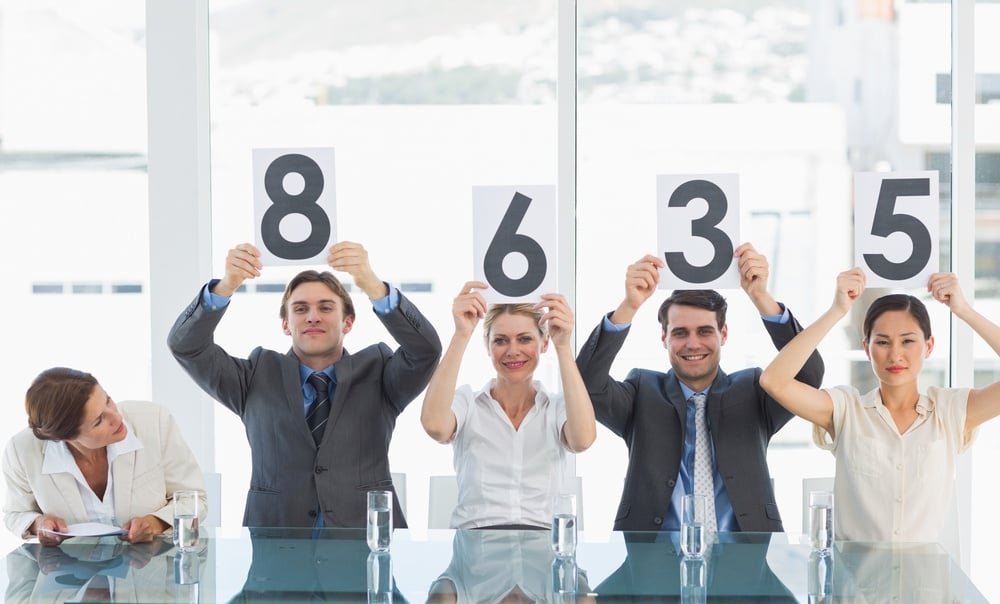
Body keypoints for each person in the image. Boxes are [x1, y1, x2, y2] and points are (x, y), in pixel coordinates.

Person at [167, 241, 442, 528]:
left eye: (325, 307)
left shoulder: (379, 370)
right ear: (286, 325)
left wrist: (373, 286)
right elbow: (185, 346)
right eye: (300, 309)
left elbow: (425, 350)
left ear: (348, 323)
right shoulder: (255, 374)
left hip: (364, 546)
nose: (312, 316)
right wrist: (225, 287)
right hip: (277, 544)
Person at [575, 243, 824, 532]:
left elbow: (808, 375)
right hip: (653, 558)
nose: (693, 344)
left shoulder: (753, 390)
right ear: (664, 338)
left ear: (724, 334)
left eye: (705, 331)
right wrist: (628, 306)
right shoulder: (643, 391)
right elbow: (586, 386)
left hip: (744, 557)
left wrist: (761, 297)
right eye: (680, 333)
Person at [759, 268, 1000, 548]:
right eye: (882, 342)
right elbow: (773, 381)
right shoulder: (847, 410)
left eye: (908, 341)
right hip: (854, 587)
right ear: (867, 348)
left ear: (929, 346)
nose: (895, 354)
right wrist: (837, 311)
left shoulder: (950, 411)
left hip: (924, 586)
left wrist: (964, 311)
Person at [420, 281, 596, 529]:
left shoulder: (556, 407)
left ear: (543, 343)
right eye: (501, 341)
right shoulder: (469, 402)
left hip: (542, 548)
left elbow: (583, 440)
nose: (512, 351)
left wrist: (563, 346)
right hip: (476, 549)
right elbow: (435, 426)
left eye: (524, 339)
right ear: (488, 347)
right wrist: (461, 334)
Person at [2, 367, 206, 546]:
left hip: (151, 573)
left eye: (108, 401)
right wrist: (39, 524)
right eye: (99, 420)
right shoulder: (21, 451)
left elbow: (196, 499)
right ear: (67, 437)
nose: (117, 417)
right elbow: (15, 514)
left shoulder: (154, 422)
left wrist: (155, 523)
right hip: (74, 579)